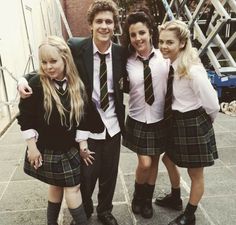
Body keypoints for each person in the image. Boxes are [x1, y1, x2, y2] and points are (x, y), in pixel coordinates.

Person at [18, 1, 126, 225]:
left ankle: (105, 210)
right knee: (83, 176)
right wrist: (22, 80)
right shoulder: (76, 47)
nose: (104, 26)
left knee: (109, 172)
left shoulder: (121, 53)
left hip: (113, 123)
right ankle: (83, 212)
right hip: (86, 124)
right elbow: (47, 64)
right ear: (91, 25)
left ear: (114, 25)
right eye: (99, 21)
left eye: (108, 21)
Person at [17, 36, 89, 225]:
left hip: (69, 149)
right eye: (44, 62)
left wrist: (83, 144)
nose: (48, 67)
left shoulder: (76, 84)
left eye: (53, 61)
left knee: (58, 186)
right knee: (70, 188)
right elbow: (25, 118)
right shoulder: (36, 84)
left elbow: (82, 117)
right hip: (46, 150)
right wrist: (32, 148)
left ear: (65, 58)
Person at [158, 20, 220, 225]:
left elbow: (212, 103)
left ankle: (189, 215)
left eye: (169, 42)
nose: (164, 46)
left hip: (192, 122)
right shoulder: (172, 62)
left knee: (195, 173)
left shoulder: (192, 70)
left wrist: (203, 125)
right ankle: (175, 197)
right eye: (161, 41)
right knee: (168, 159)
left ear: (182, 43)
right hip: (176, 121)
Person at [121, 7, 170, 219]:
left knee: (155, 161)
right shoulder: (126, 59)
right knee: (145, 162)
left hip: (160, 118)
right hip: (138, 118)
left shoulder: (164, 57)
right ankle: (137, 196)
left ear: (150, 31)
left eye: (141, 32)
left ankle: (147, 200)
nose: (138, 38)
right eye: (133, 34)